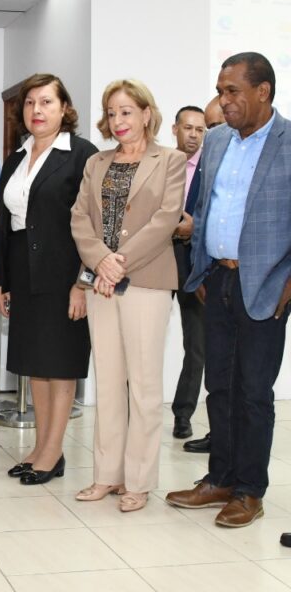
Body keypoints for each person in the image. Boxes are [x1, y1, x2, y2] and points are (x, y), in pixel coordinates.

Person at [166, 52, 291, 528]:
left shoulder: (288, 141)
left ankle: (249, 490)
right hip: (216, 279)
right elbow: (202, 208)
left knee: (253, 392)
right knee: (218, 386)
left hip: (266, 285)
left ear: (263, 91)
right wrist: (201, 270)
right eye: (221, 91)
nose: (224, 101)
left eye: (233, 91)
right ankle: (219, 477)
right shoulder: (216, 140)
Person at [70, 79, 185, 512]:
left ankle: (138, 481)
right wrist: (101, 260)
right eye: (112, 112)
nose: (118, 120)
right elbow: (80, 217)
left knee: (144, 386)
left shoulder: (170, 160)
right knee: (108, 381)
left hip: (146, 282)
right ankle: (107, 475)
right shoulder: (96, 162)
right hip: (100, 283)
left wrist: (119, 262)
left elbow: (166, 219)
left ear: (146, 114)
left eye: (126, 111)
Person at [0, 73, 98, 484]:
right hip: (22, 272)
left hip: (64, 274)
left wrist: (82, 283)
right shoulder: (15, 158)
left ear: (64, 108)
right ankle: (39, 447)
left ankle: (52, 453)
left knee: (60, 364)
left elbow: (95, 225)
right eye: (31, 102)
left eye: (47, 102)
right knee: (35, 363)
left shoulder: (82, 155)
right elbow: (3, 223)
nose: (37, 110)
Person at [182, 94, 227, 455]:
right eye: (199, 128)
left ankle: (220, 435)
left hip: (222, 271)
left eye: (210, 128)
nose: (203, 135)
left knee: (206, 350)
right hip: (185, 264)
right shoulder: (171, 163)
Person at [170, 105, 208, 440]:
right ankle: (133, 410)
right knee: (141, 339)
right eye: (188, 128)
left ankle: (183, 415)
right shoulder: (161, 165)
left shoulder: (210, 170)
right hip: (155, 258)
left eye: (200, 130)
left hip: (192, 263)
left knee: (196, 344)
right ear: (175, 129)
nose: (194, 135)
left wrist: (194, 229)